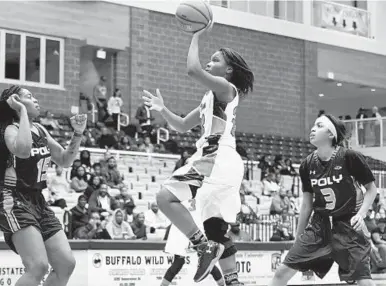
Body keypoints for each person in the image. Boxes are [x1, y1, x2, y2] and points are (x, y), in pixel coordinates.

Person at [142, 20, 254, 285]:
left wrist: (196, 36)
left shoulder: (227, 89)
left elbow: (192, 69)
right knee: (216, 228)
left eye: (214, 60)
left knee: (164, 198)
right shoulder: (211, 97)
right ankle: (233, 281)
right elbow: (181, 125)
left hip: (216, 157)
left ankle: (202, 248)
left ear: (228, 70)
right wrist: (162, 109)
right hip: (222, 162)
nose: (208, 63)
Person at [268, 114, 378, 286]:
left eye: (319, 126)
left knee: (364, 281)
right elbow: (306, 205)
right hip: (320, 226)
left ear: (331, 135)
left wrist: (361, 214)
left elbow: (371, 189)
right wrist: (299, 236)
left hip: (348, 225)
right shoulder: (306, 164)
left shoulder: (350, 157)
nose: (313, 128)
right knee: (281, 273)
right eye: (313, 125)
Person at [0, 85, 87, 286]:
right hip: (14, 199)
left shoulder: (40, 129)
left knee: (65, 264)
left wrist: (77, 134)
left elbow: (64, 160)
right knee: (37, 266)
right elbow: (24, 151)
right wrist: (23, 111)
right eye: (29, 96)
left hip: (37, 200)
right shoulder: (10, 129)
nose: (35, 100)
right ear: (16, 102)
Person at [162, 199, 224, 286]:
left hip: (191, 227)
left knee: (206, 260)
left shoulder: (181, 191)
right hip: (186, 227)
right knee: (179, 263)